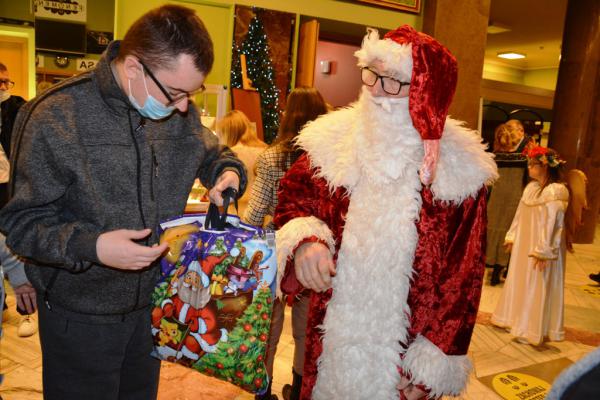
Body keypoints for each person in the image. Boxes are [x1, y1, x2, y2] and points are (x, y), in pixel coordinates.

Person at [0, 5, 246, 400]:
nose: (184, 107)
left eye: (192, 93)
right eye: (177, 93)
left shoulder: (175, 110)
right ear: (134, 68)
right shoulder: (53, 117)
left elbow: (214, 152)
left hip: (151, 308)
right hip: (79, 317)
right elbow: (22, 224)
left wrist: (227, 172)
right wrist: (93, 246)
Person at [273, 26, 497, 400]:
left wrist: (430, 367)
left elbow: (463, 280)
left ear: (426, 93)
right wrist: (305, 240)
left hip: (404, 363)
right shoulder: (330, 143)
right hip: (330, 347)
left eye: (393, 81)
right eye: (372, 74)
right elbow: (293, 200)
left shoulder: (459, 174)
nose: (375, 89)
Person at [243, 87, 328, 400]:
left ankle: (263, 392)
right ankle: (300, 388)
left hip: (274, 246)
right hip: (316, 249)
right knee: (307, 325)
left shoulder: (272, 157)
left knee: (268, 324)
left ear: (287, 114)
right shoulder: (327, 158)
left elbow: (255, 213)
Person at [491, 146, 568, 346]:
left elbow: (554, 225)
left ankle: (531, 329)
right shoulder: (531, 189)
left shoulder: (555, 192)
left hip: (541, 249)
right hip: (525, 244)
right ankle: (513, 319)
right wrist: (512, 236)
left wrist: (543, 251)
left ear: (546, 167)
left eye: (534, 164)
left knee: (537, 283)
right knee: (520, 280)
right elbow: (519, 216)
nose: (530, 168)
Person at [486, 123, 528, 285]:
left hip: (496, 199)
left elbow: (489, 180)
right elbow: (528, 180)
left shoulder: (495, 156)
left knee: (494, 230)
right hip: (515, 199)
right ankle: (502, 269)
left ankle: (492, 268)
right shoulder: (524, 157)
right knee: (510, 232)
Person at [216, 110, 267, 214]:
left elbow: (219, 197)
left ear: (228, 133)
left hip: (234, 215)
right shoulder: (267, 151)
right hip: (261, 217)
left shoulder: (229, 155)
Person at [0, 62, 26, 207]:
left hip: (7, 181)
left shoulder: (15, 106)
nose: (4, 87)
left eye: (7, 82)